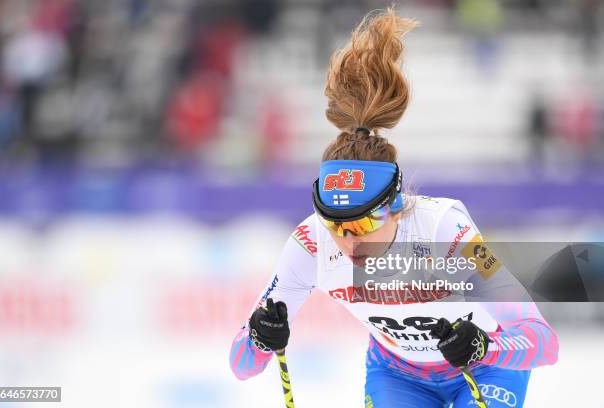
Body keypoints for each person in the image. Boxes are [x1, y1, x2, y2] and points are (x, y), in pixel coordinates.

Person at [229, 8, 558, 407]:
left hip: (487, 367)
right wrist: (258, 338)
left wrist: (485, 348)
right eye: (335, 224)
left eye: (365, 222)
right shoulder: (309, 244)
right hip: (399, 374)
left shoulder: (443, 231)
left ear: (397, 207)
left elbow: (543, 342)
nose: (348, 241)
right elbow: (242, 365)